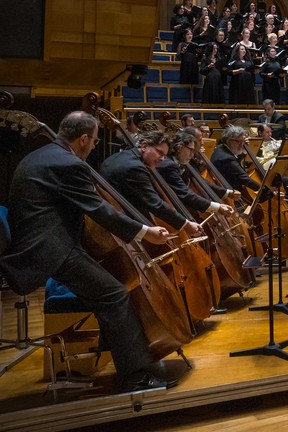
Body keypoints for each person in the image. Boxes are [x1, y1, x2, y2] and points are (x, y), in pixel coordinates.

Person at [0, 112, 175, 392]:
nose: (94, 145)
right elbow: (99, 210)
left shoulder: (43, 154)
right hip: (50, 249)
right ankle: (135, 377)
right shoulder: (68, 163)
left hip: (42, 241)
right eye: (93, 140)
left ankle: (117, 349)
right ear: (82, 139)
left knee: (108, 286)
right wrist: (145, 232)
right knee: (115, 294)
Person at [100, 130, 204, 238]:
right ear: (144, 146)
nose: (162, 159)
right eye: (160, 152)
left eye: (164, 155)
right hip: (123, 227)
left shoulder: (122, 156)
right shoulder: (135, 168)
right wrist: (186, 224)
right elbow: (156, 204)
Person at [210, 126, 261, 193]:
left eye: (242, 141)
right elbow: (245, 179)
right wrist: (265, 190)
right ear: (228, 141)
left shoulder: (221, 148)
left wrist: (244, 150)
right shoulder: (227, 159)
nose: (241, 145)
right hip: (229, 194)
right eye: (238, 141)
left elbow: (236, 159)